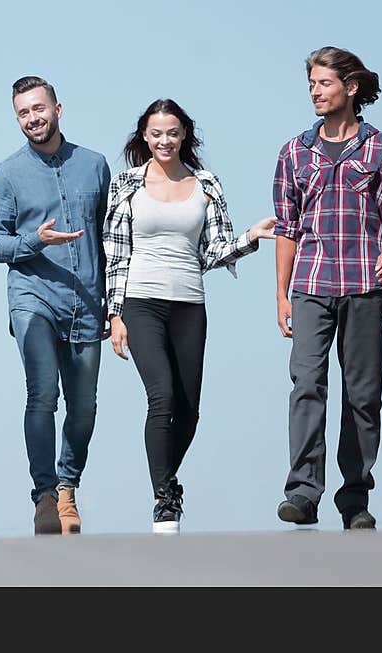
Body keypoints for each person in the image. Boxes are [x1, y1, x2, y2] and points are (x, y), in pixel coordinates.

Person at [104, 99, 276, 534]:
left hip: (189, 304)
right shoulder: (125, 183)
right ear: (144, 135)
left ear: (184, 136)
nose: (164, 140)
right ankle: (165, 498)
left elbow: (213, 250)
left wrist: (250, 238)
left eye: (173, 133)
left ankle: (166, 477)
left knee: (190, 409)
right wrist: (114, 313)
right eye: (156, 133)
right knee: (161, 397)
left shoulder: (206, 183)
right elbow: (114, 251)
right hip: (140, 302)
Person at [273, 47, 382, 530]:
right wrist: (281, 294)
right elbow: (287, 228)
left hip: (365, 283)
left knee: (362, 394)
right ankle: (302, 493)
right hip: (311, 284)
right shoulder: (294, 152)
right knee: (306, 386)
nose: (315, 91)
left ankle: (354, 499)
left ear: (350, 88)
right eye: (311, 83)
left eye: (324, 83)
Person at [0, 76, 111, 535]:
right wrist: (33, 241)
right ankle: (43, 495)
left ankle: (66, 489)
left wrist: (112, 305)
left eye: (39, 108)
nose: (32, 118)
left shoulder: (95, 165)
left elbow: (110, 239)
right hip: (32, 298)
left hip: (85, 299)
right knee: (42, 391)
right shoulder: (6, 174)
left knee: (84, 408)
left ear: (58, 108)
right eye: (23, 112)